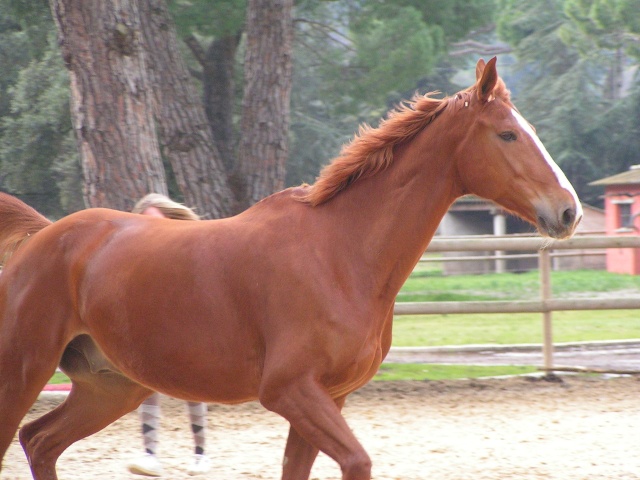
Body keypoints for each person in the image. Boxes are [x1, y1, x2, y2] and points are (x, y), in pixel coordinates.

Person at [126, 193, 211, 477]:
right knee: (146, 385)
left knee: (195, 386)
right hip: (155, 329)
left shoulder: (192, 245)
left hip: (190, 327)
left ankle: (201, 454)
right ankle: (150, 454)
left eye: (155, 223)